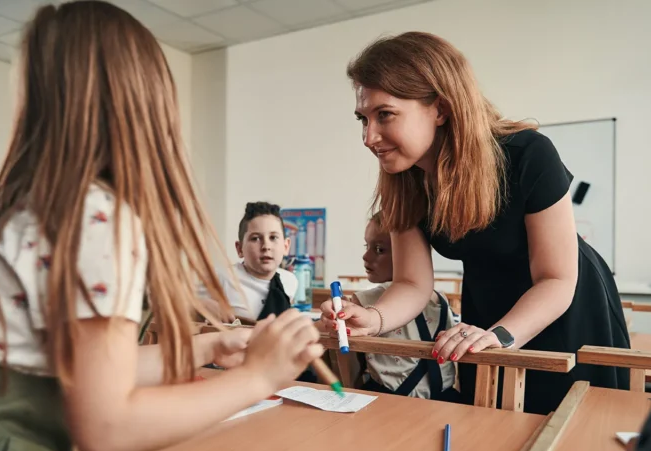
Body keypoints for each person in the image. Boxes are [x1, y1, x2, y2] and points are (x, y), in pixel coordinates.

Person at [0, 2, 322, 451]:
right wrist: (258, 378)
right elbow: (106, 429)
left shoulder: (34, 211)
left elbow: (101, 370)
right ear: (147, 103)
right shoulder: (96, 219)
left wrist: (210, 349)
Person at [319, 31, 629, 415]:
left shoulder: (528, 155)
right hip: (487, 307)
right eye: (362, 119)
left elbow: (557, 279)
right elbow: (412, 283)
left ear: (441, 109)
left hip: (565, 304)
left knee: (569, 427)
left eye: (385, 115)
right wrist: (374, 318)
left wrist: (499, 335)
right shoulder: (405, 179)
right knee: (493, 424)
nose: (369, 137)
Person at [347, 212, 459, 400]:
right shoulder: (441, 299)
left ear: (412, 254)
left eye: (379, 249)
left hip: (386, 398)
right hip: (444, 398)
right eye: (367, 246)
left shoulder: (368, 299)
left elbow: (318, 331)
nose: (366, 256)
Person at [201, 201, 298, 323]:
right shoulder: (221, 277)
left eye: (273, 237)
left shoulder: (290, 280)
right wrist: (200, 305)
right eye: (255, 238)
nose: (266, 246)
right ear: (239, 248)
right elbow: (181, 306)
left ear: (286, 246)